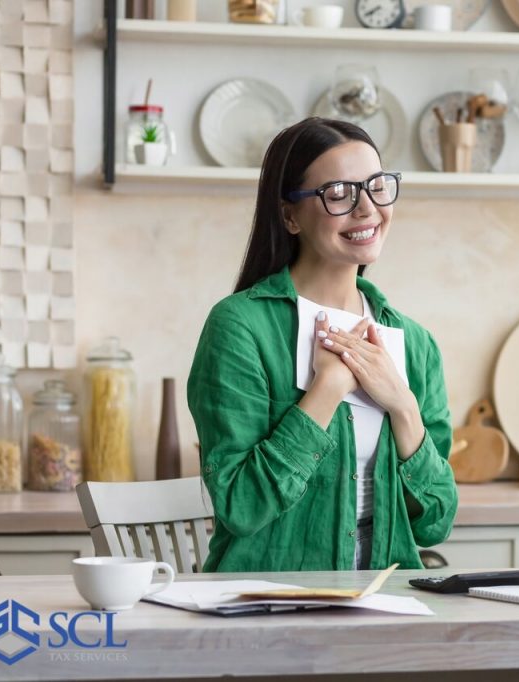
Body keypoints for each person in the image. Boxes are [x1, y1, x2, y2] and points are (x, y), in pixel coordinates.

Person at [187, 117, 457, 572]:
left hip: (381, 607)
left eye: (377, 186)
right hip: (264, 606)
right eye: (338, 194)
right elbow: (240, 506)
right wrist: (327, 389)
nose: (367, 209)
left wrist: (403, 408)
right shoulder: (240, 327)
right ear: (290, 215)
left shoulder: (415, 343)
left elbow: (435, 523)